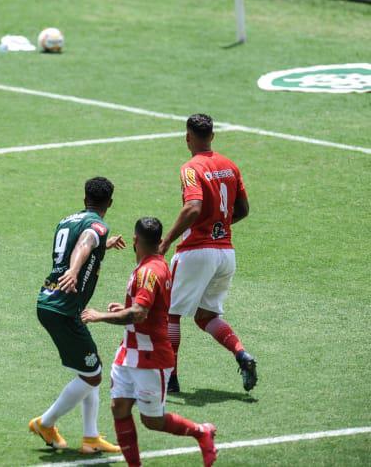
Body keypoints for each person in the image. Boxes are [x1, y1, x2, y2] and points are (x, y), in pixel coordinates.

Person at [82, 218, 218, 467]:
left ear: (135, 240)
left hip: (151, 358)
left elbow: (139, 314)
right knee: (119, 407)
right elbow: (145, 308)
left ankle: (201, 432)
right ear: (159, 240)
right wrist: (125, 308)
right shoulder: (153, 265)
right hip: (128, 353)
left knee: (152, 420)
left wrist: (100, 316)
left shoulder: (148, 272)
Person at [159, 113, 255, 394]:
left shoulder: (191, 168)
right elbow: (243, 210)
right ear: (212, 136)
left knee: (169, 313)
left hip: (196, 252)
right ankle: (241, 354)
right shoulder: (230, 166)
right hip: (225, 254)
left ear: (187, 137)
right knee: (205, 316)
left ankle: (170, 378)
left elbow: (193, 207)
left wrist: (166, 241)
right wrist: (219, 225)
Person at [29, 177, 125, 455]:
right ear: (110, 203)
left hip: (49, 301)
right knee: (93, 376)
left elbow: (81, 244)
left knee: (89, 369)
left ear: (85, 199)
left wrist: (104, 245)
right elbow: (84, 244)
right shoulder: (97, 226)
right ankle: (45, 423)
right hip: (65, 308)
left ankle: (90, 438)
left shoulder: (66, 220)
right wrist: (74, 271)